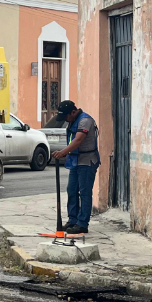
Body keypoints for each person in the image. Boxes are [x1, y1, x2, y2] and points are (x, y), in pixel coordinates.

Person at [49, 99, 99, 234]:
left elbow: (78, 140)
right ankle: (73, 220)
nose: (65, 119)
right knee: (71, 190)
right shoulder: (71, 120)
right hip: (75, 161)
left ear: (73, 112)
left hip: (87, 161)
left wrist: (62, 152)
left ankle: (82, 224)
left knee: (85, 192)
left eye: (66, 116)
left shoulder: (85, 121)